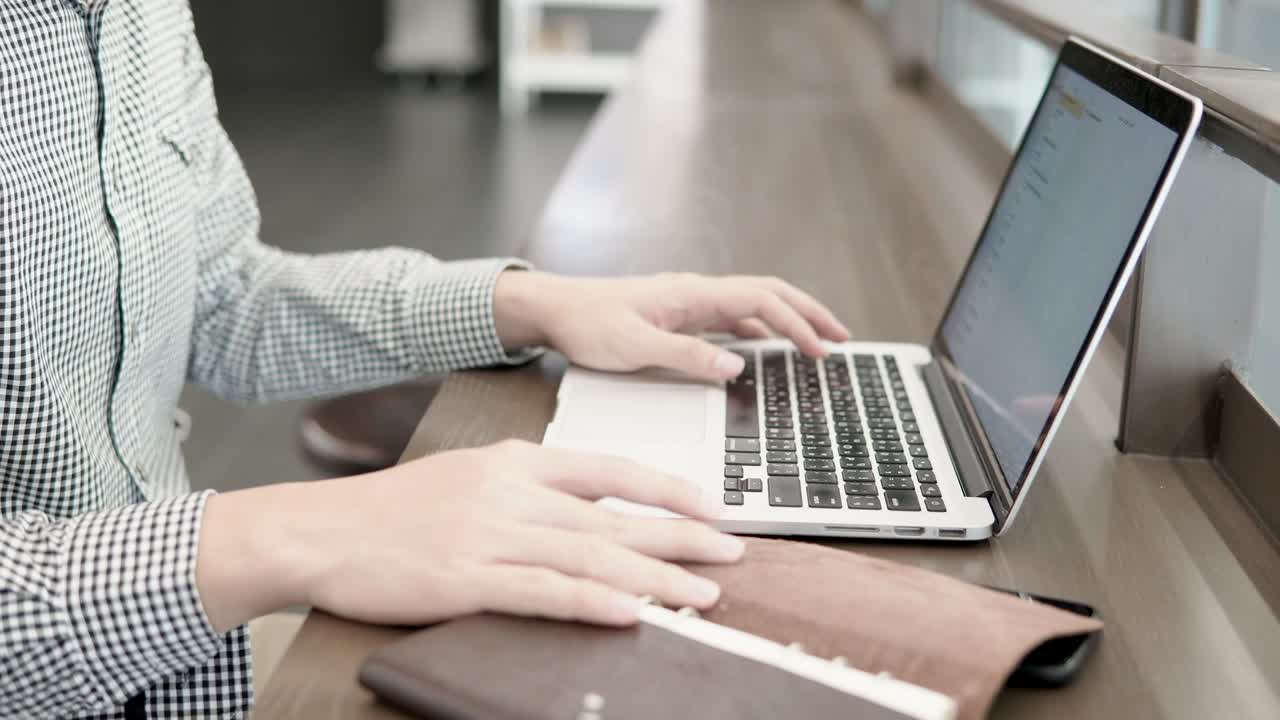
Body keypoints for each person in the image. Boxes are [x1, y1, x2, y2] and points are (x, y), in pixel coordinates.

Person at [0, 1, 850, 717]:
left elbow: (225, 297)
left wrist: (531, 305)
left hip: (185, 673)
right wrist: (292, 535)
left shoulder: (137, 14)